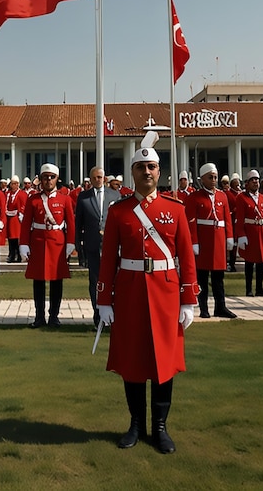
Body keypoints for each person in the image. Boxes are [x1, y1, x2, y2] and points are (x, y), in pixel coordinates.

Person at [96, 132, 199, 454]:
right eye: (141, 168)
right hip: (129, 295)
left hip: (166, 295)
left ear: (160, 171)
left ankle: (160, 428)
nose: (147, 173)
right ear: (133, 173)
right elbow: (108, 259)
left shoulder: (176, 209)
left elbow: (186, 256)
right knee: (133, 361)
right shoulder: (118, 212)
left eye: (152, 167)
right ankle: (136, 424)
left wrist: (189, 300)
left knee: (163, 362)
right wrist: (103, 301)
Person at [19, 163, 75, 328]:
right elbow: (26, 224)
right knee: (38, 281)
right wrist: (24, 244)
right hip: (38, 243)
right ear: (40, 179)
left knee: (57, 282)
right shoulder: (33, 199)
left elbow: (71, 224)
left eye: (52, 177)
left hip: (57, 243)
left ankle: (54, 316)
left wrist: (71, 243)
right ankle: (39, 316)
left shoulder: (65, 199)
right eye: (45, 177)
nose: (48, 180)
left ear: (57, 179)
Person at [185, 163, 236, 319]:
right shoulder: (194, 197)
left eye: (215, 177)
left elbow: (227, 218)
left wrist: (229, 237)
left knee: (218, 278)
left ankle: (221, 307)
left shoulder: (222, 196)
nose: (214, 180)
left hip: (219, 239)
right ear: (203, 179)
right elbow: (191, 221)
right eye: (210, 177)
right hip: (204, 241)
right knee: (202, 277)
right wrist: (194, 242)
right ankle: (204, 308)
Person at [75, 166, 121, 327]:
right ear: (90, 179)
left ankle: (112, 314)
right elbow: (78, 223)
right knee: (95, 281)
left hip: (111, 245)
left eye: (100, 177)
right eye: (94, 178)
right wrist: (78, 246)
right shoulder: (83, 197)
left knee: (113, 280)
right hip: (92, 244)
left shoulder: (115, 195)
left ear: (104, 178)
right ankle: (97, 314)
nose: (97, 180)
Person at [235, 169, 263, 297]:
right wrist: (241, 235)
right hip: (249, 232)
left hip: (261, 232)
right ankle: (248, 289)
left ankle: (259, 288)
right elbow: (239, 218)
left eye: (257, 180)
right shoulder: (241, 198)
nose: (255, 182)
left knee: (262, 262)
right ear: (247, 183)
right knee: (249, 262)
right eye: (252, 180)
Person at [5, 175, 27, 262]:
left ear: (17, 184)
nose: (12, 186)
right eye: (11, 184)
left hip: (17, 218)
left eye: (14, 184)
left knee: (17, 238)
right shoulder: (8, 194)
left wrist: (20, 213)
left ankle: (18, 255)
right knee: (11, 238)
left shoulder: (22, 194)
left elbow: (24, 205)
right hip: (10, 218)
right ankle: (11, 255)